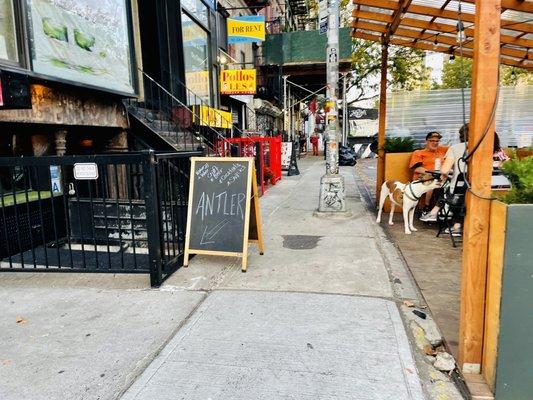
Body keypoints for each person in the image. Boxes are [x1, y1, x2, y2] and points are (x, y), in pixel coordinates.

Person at [409, 131, 448, 211]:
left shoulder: (442, 150)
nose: (435, 143)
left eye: (437, 141)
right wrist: (434, 173)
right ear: (426, 142)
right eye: (432, 141)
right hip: (426, 177)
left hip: (443, 176)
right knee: (432, 181)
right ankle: (426, 208)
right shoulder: (419, 153)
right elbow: (417, 168)